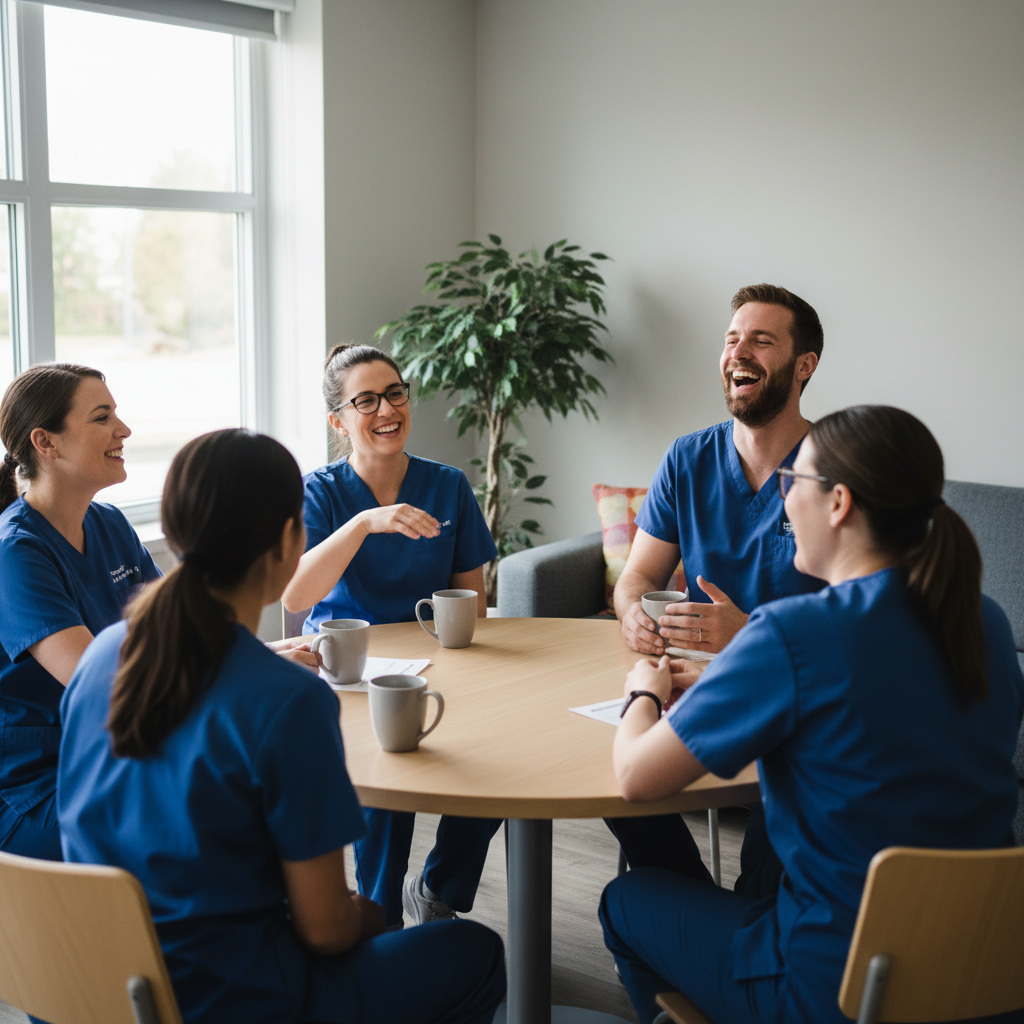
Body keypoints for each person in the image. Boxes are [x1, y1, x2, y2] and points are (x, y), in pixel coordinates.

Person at [58, 429, 506, 1024]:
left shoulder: (104, 653)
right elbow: (327, 932)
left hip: (96, 986)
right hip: (234, 1001)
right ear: (290, 541)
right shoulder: (287, 701)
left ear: (173, 534)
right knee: (477, 951)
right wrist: (372, 914)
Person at [600, 405, 1024, 1024]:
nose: (784, 500)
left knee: (626, 900)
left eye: (794, 483)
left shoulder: (797, 633)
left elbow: (636, 777)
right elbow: (873, 703)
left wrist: (643, 689)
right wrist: (732, 676)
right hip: (981, 970)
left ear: (839, 503)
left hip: (830, 986)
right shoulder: (981, 619)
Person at [607, 284, 827, 893]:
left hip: (797, 698)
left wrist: (750, 635)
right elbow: (637, 579)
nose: (739, 352)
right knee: (610, 772)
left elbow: (862, 614)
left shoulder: (835, 465)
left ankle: (724, 931)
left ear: (803, 365)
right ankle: (695, 904)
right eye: (732, 339)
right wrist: (632, 615)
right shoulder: (688, 458)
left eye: (761, 339)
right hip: (695, 685)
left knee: (762, 883)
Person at [282, 344, 501, 930]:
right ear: (339, 420)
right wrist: (364, 523)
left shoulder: (448, 485)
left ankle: (437, 887)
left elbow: (470, 599)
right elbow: (295, 596)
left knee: (499, 763)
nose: (387, 409)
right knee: (389, 785)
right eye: (366, 400)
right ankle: (380, 923)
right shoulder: (320, 493)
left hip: (437, 666)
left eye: (396, 393)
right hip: (346, 676)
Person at [0, 363, 161, 861]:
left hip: (111, 756)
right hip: (39, 786)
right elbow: (103, 686)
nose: (124, 430)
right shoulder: (16, 553)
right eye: (102, 417)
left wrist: (261, 657)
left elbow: (177, 633)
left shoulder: (110, 524)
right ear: (46, 443)